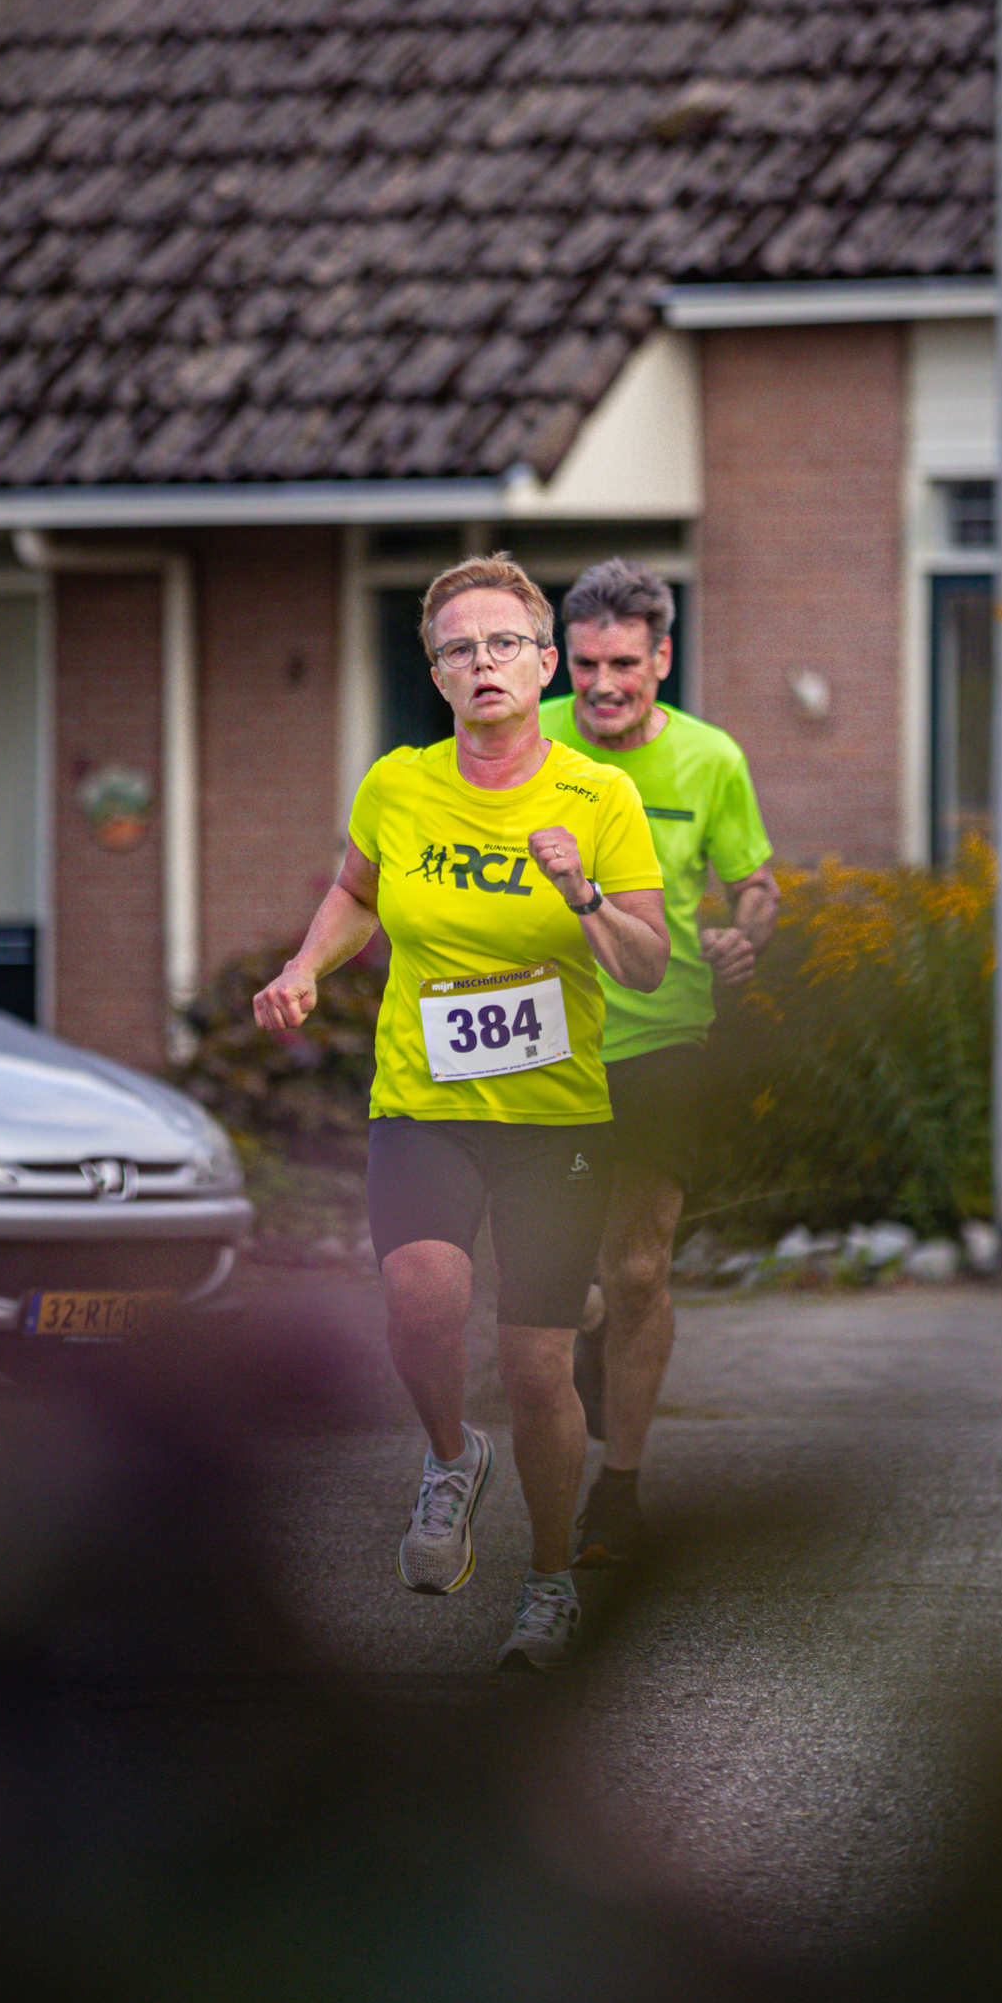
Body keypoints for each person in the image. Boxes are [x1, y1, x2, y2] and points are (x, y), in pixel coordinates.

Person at [253, 552, 667, 1672]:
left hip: (553, 1121)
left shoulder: (600, 798)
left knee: (537, 1368)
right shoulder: (396, 785)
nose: (479, 665)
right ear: (433, 675)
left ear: (544, 664)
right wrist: (307, 966)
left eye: (500, 645)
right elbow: (355, 890)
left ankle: (546, 1583)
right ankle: (448, 1455)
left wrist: (582, 894)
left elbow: (643, 964)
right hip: (422, 1100)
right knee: (418, 1301)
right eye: (454, 650)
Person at [537, 558, 777, 1567]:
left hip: (660, 1038)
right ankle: (580, 1316)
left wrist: (741, 933)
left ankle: (618, 1493)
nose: (601, 684)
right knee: (543, 1279)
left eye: (622, 663)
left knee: (636, 1269)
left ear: (660, 658)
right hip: (534, 1040)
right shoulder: (520, 739)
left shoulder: (709, 760)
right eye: (584, 663)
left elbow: (755, 881)